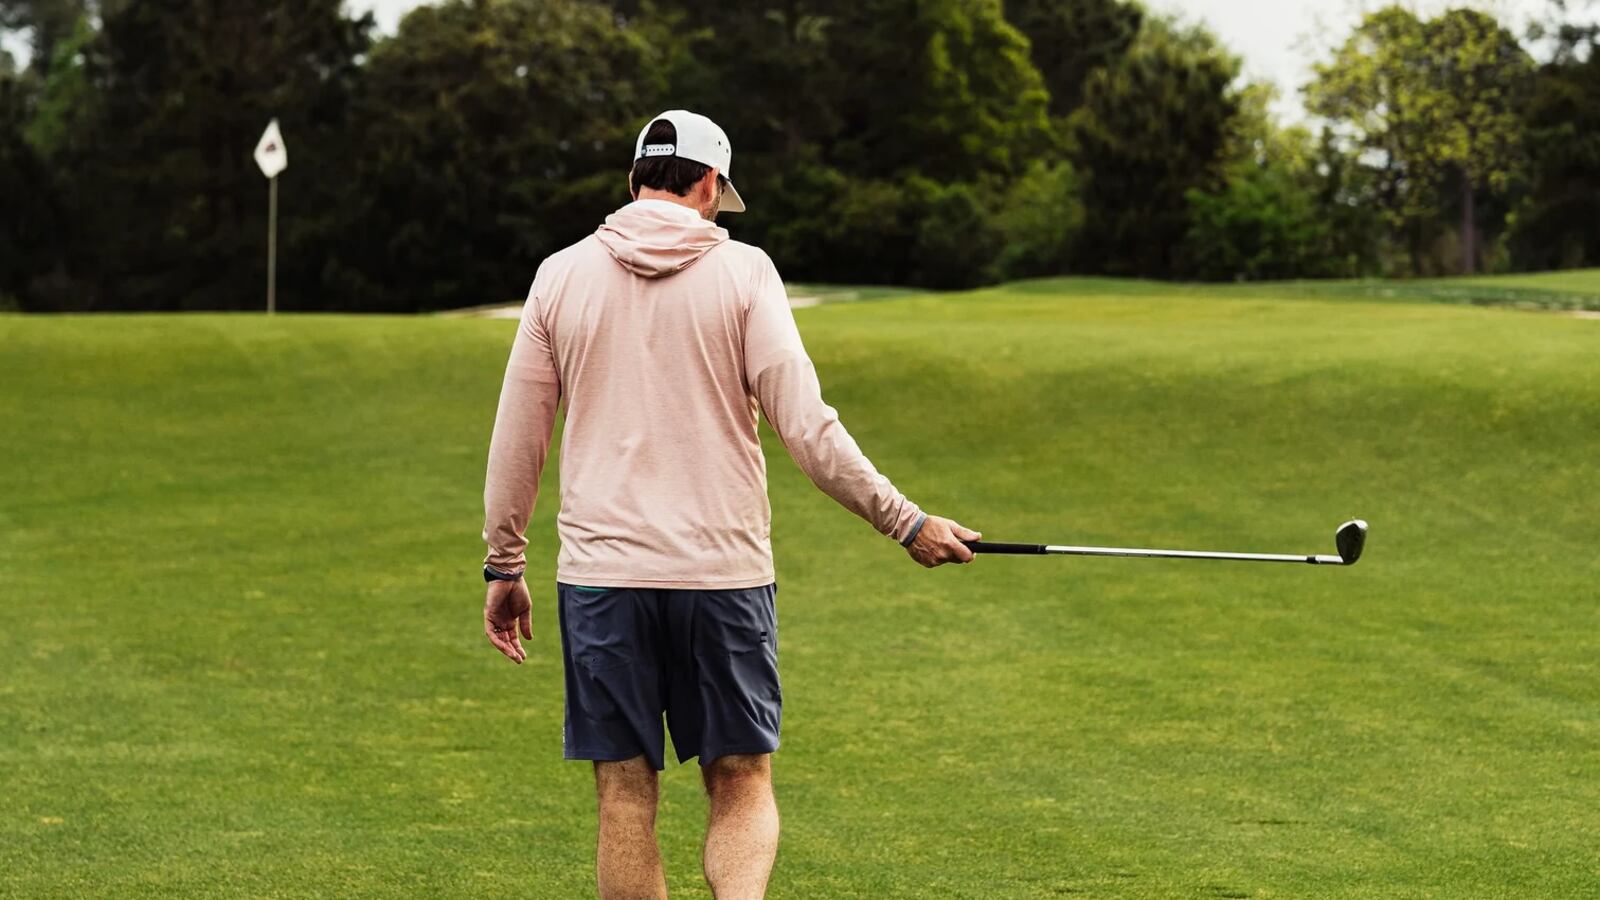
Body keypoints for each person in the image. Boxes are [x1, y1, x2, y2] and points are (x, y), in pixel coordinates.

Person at [480, 109, 980, 899]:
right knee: (743, 780)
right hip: (723, 577)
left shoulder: (560, 275)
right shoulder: (745, 273)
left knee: (624, 794)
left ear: (635, 178)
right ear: (710, 183)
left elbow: (518, 438)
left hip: (604, 580)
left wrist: (503, 564)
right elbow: (808, 429)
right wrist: (905, 521)